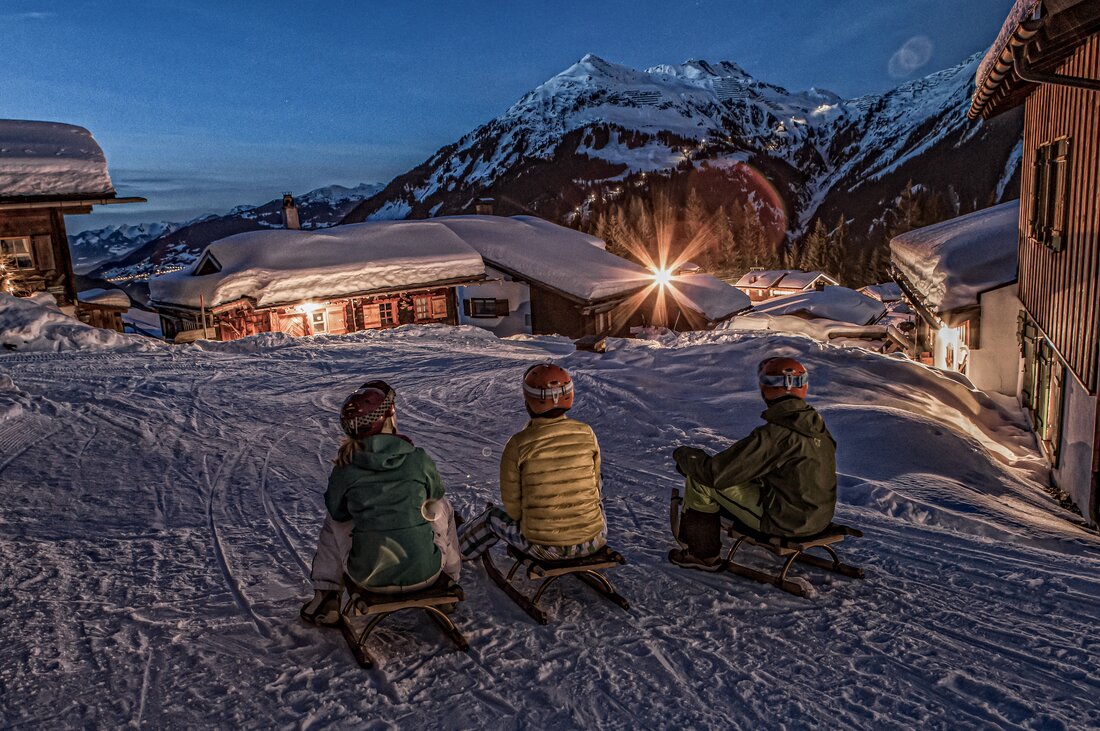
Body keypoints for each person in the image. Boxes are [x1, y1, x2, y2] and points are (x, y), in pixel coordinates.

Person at [300, 381, 461, 626]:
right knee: (439, 504)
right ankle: (449, 580)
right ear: (388, 419)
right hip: (427, 572)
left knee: (336, 520)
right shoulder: (417, 458)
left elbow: (337, 510)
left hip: (368, 576)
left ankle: (327, 595)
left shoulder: (347, 466)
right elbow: (436, 491)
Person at [669, 356, 837, 569]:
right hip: (817, 518)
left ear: (765, 388)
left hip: (786, 522)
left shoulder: (776, 434)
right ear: (803, 387)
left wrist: (684, 456)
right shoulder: (817, 429)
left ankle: (702, 555)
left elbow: (716, 474)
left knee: (701, 482)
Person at [458, 363, 606, 562]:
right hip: (594, 540)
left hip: (545, 547)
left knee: (491, 517)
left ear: (528, 401)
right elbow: (596, 482)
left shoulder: (519, 444)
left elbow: (513, 507)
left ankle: (456, 551)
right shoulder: (587, 433)